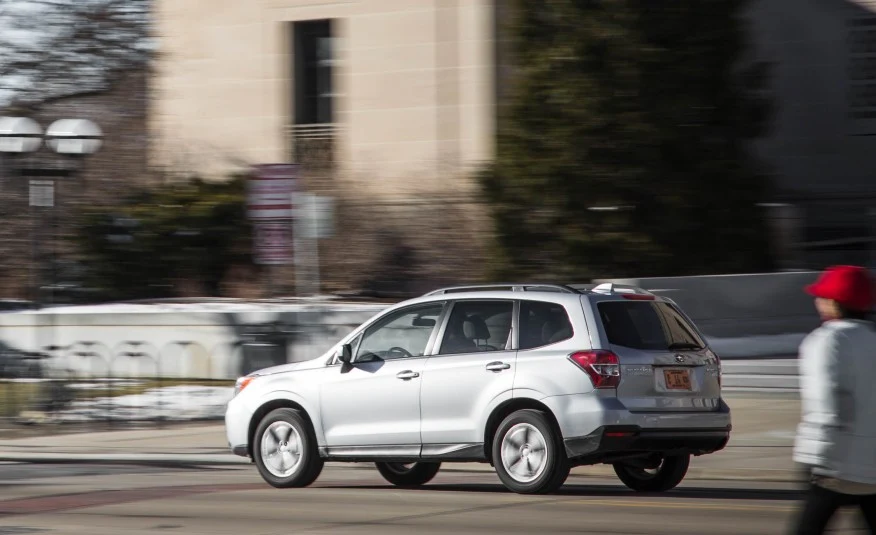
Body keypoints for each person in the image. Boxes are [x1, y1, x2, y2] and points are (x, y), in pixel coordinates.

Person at [791, 265, 876, 534]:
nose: (817, 301)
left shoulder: (827, 339)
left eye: (822, 295)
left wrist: (819, 460)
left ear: (833, 302)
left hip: (834, 466)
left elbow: (827, 405)